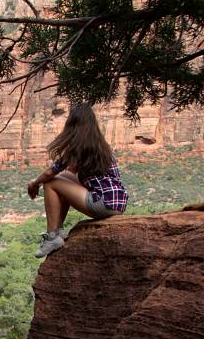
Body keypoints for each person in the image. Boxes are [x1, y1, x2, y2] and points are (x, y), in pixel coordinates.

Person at [27, 103, 128, 258]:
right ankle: (58, 229)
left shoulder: (79, 147)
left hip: (102, 204)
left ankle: (52, 237)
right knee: (61, 178)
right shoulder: (100, 145)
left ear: (72, 124)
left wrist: (34, 184)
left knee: (50, 182)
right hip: (118, 203)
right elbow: (62, 173)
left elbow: (49, 173)